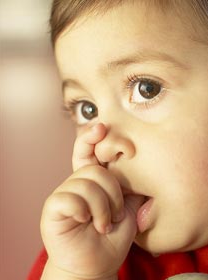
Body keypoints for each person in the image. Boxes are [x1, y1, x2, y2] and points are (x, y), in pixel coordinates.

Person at [28, 1, 208, 279]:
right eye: (87, 109)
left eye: (146, 89)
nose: (103, 146)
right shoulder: (89, 251)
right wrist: (78, 272)